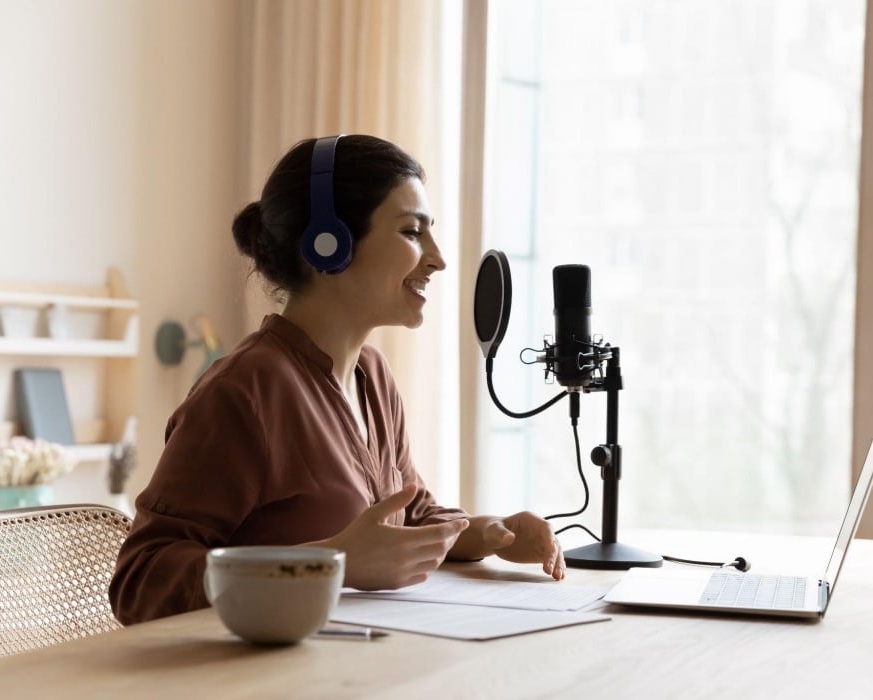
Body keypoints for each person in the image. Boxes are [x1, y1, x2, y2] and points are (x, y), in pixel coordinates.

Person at [109, 134, 565, 625]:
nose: (438, 258)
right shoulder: (245, 392)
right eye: (412, 232)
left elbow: (408, 517)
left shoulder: (373, 376)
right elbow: (140, 580)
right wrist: (332, 564)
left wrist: (491, 533)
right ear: (329, 244)